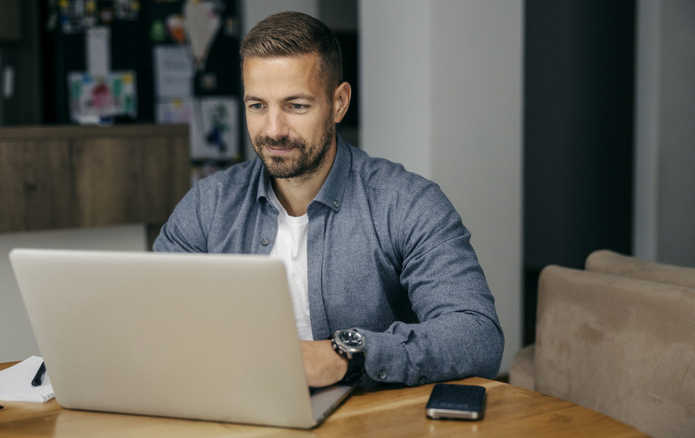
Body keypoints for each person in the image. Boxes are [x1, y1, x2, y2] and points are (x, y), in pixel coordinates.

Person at [154, 11, 504, 387]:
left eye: (296, 106)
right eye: (257, 105)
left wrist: (345, 355)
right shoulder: (207, 205)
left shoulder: (407, 203)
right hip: (235, 404)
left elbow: (477, 334)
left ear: (339, 102)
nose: (273, 129)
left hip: (368, 411)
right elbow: (152, 317)